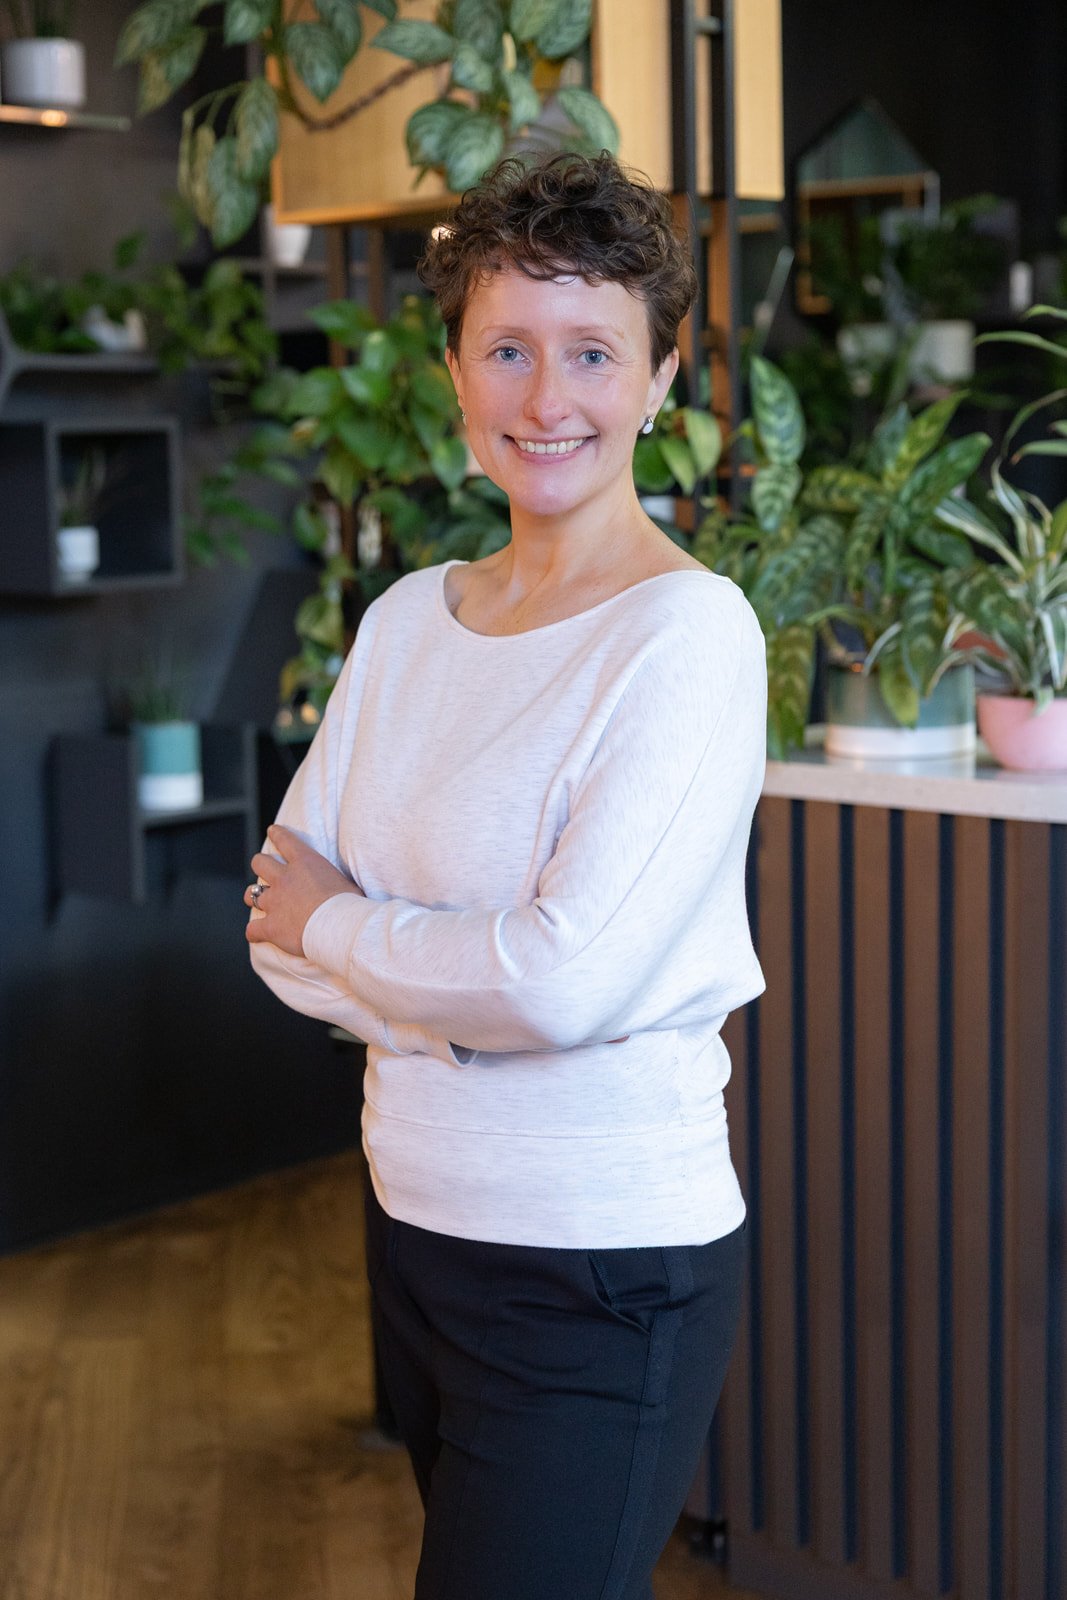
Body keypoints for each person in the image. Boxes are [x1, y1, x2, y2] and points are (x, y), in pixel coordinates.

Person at [245, 152, 767, 1600]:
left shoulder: (687, 634)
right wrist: (464, 997)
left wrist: (365, 943)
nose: (550, 400)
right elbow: (268, 936)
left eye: (594, 351)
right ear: (457, 371)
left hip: (600, 1267)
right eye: (510, 349)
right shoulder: (412, 619)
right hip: (416, 1233)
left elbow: (563, 975)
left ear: (663, 375)